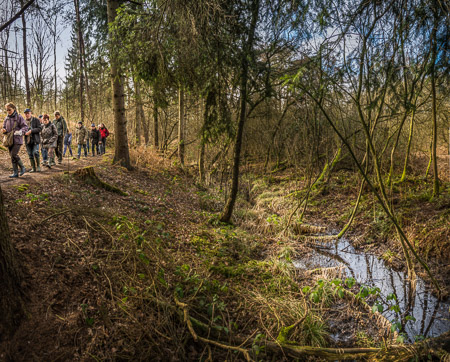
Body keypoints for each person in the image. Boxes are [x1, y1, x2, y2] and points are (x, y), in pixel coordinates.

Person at [2, 103, 28, 178]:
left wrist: (20, 131)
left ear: (14, 109)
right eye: (7, 110)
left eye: (9, 110)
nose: (8, 111)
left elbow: (25, 127)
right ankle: (15, 172)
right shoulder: (6, 118)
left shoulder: (19, 117)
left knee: (14, 154)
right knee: (12, 156)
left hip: (17, 139)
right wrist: (4, 130)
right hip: (9, 140)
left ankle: (22, 167)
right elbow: (4, 127)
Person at [23, 108, 42, 172]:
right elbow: (21, 130)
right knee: (30, 154)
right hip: (27, 141)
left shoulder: (36, 120)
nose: (27, 115)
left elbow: (40, 129)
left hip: (35, 140)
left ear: (31, 113)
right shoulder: (23, 121)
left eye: (28, 113)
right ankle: (33, 168)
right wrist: (23, 132)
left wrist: (31, 131)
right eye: (26, 114)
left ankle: (38, 166)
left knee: (36, 152)